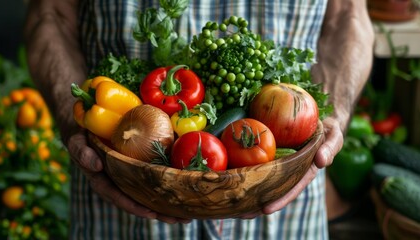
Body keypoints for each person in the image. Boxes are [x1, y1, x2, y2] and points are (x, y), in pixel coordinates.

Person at [24, 0, 374, 239]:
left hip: (285, 211)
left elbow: (348, 17)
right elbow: (50, 14)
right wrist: (74, 121)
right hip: (119, 200)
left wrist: (333, 114)